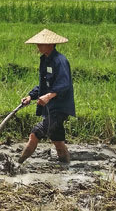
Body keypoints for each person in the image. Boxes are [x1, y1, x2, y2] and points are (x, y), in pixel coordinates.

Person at [18, 29, 75, 164]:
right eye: (37, 44)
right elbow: (44, 84)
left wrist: (48, 96)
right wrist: (30, 97)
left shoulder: (60, 61)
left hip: (59, 107)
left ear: (50, 44)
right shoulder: (45, 60)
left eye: (41, 44)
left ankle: (17, 164)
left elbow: (64, 83)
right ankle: (66, 167)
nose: (38, 47)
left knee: (34, 134)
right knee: (57, 141)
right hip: (50, 107)